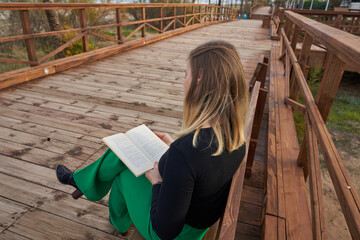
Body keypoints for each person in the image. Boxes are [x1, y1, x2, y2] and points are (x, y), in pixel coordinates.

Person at [55, 40, 249, 240]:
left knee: (122, 168)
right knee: (122, 157)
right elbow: (203, 166)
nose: (183, 81)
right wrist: (174, 147)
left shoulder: (186, 152)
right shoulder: (236, 137)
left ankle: (105, 208)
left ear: (199, 79)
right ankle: (83, 184)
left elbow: (164, 231)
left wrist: (156, 182)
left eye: (186, 74)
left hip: (174, 233)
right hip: (196, 224)